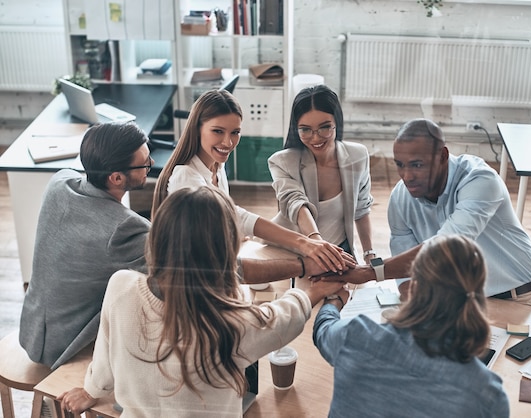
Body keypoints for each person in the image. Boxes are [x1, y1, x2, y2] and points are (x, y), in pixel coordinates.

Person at [59, 186, 346, 416]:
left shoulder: (121, 285)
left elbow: (105, 357)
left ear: (158, 237)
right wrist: (314, 293)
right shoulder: (233, 321)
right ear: (227, 250)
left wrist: (92, 390)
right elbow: (282, 318)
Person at [323, 118, 531, 309]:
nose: (407, 175)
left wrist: (369, 272)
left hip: (519, 298)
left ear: (443, 156)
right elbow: (407, 275)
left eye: (417, 165)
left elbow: (447, 247)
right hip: (461, 303)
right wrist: (409, 297)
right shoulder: (400, 197)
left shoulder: (481, 180)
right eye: (400, 165)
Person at [152, 89, 348, 274]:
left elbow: (231, 215)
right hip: (196, 274)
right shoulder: (186, 176)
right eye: (218, 131)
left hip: (219, 261)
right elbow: (237, 216)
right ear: (197, 129)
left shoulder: (216, 167)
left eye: (235, 132)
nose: (228, 143)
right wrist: (304, 242)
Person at [313, 234, 510, 418]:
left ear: (413, 289)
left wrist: (334, 301)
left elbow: (323, 329)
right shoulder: (488, 394)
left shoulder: (354, 335)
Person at [19, 122, 153, 370]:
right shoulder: (124, 228)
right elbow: (180, 263)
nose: (151, 165)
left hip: (31, 327)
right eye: (145, 164)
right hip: (67, 344)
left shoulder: (59, 182)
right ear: (116, 177)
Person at [268, 84, 375, 260]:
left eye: (325, 127)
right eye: (305, 130)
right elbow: (296, 204)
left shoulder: (358, 155)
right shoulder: (283, 162)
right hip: (294, 251)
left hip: (340, 250)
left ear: (336, 123)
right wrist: (316, 243)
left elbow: (362, 209)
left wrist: (369, 254)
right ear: (296, 129)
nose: (316, 137)